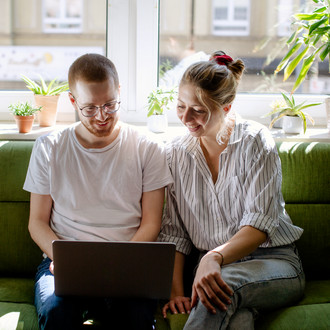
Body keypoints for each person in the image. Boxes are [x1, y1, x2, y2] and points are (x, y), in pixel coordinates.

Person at [23, 53, 173, 330]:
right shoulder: (49, 147)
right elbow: (37, 222)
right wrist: (64, 260)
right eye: (90, 108)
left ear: (119, 93)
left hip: (129, 261)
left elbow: (151, 223)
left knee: (137, 319)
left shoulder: (148, 148)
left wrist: (118, 266)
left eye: (110, 105)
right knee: (57, 314)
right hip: (65, 263)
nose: (102, 116)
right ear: (72, 102)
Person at [158, 51, 305, 329]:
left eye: (199, 110)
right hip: (212, 267)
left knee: (217, 287)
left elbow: (259, 225)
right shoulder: (174, 154)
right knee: (236, 320)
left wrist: (213, 257)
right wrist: (176, 292)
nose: (186, 118)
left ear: (226, 106)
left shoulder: (255, 141)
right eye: (180, 106)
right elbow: (174, 233)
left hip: (273, 261)